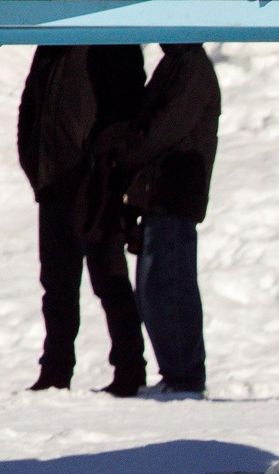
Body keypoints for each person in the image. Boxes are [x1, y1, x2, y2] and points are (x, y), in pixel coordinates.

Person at [17, 45, 148, 394]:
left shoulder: (113, 41)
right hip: (54, 185)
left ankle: (130, 369)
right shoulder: (49, 48)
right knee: (57, 285)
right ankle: (55, 371)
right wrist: (34, 163)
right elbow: (30, 107)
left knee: (109, 278)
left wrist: (103, 166)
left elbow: (129, 109)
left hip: (97, 185)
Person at [92, 43, 219, 395]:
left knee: (170, 286)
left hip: (174, 197)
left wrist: (124, 153)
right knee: (153, 289)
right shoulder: (174, 64)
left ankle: (185, 377)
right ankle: (176, 375)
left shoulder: (191, 66)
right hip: (156, 198)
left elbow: (165, 127)